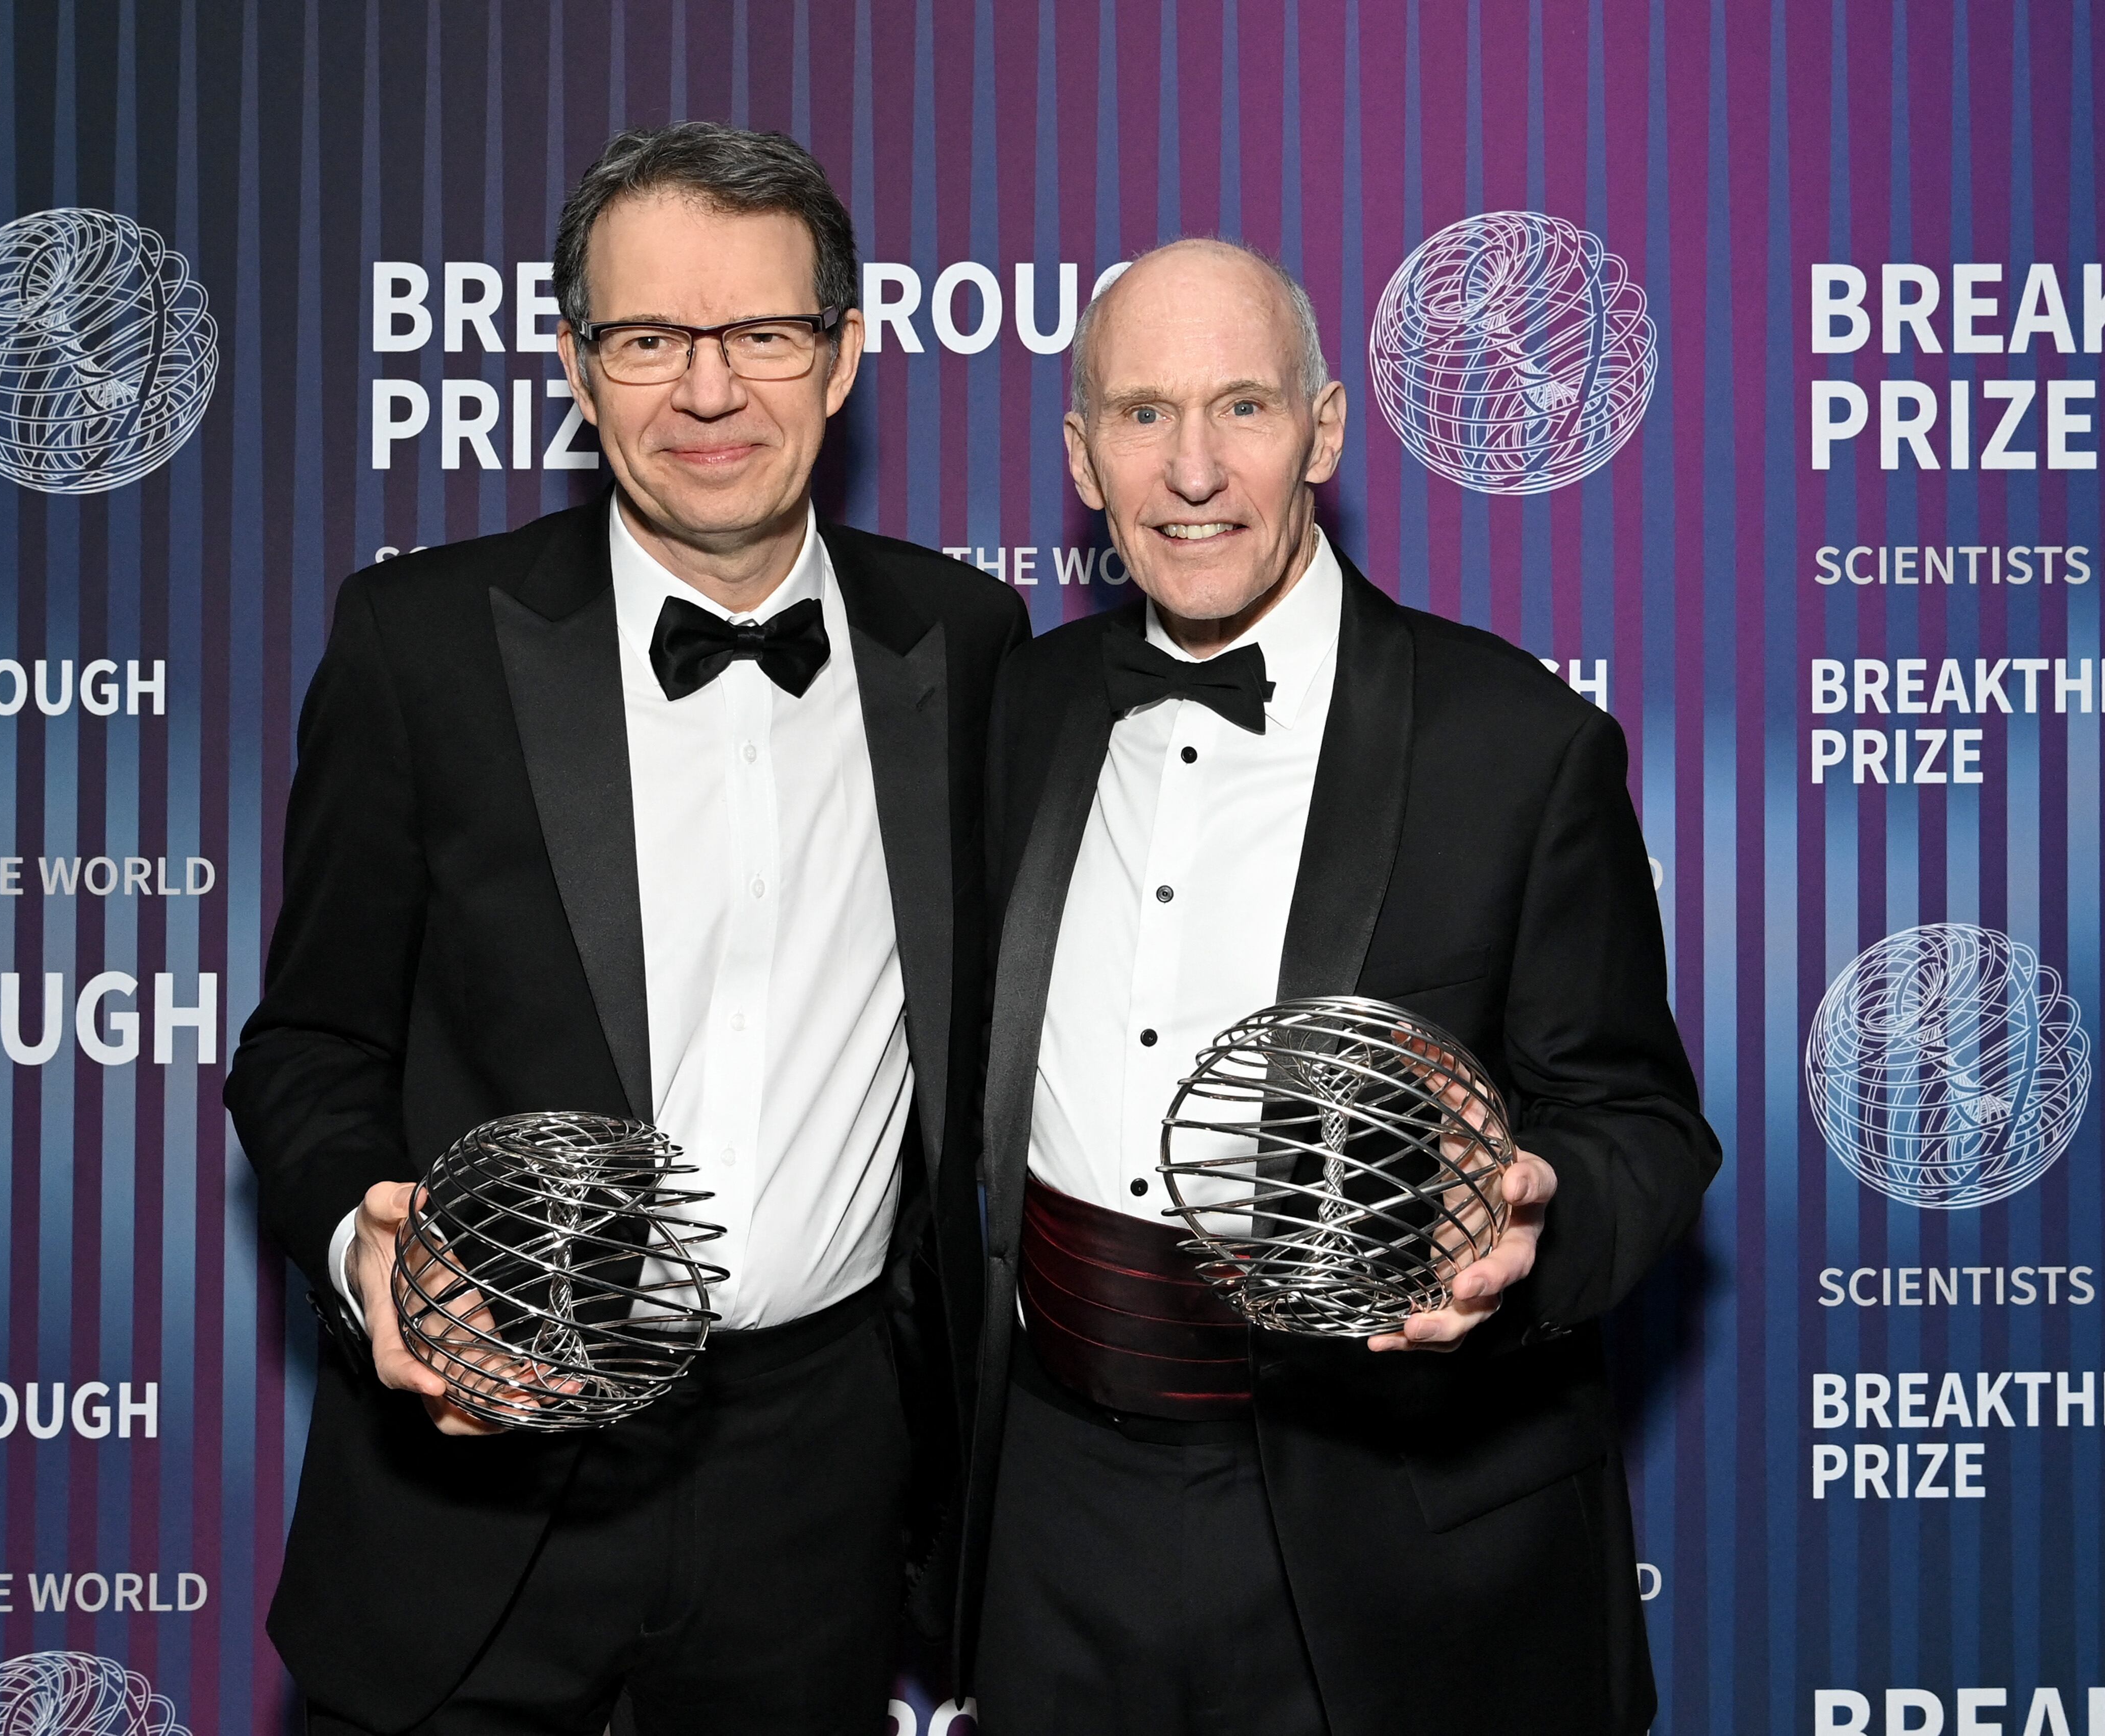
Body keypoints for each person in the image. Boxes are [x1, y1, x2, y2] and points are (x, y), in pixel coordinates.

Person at [227, 121, 1024, 1736]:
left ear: (847, 355)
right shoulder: (421, 646)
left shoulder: (967, 645)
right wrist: (362, 1255)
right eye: (649, 339)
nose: (709, 393)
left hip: (818, 1488)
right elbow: (306, 1046)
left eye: (763, 336)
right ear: (579, 372)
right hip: (475, 1475)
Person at [957, 237, 1720, 1735]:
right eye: (1141, 415)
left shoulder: (1516, 747)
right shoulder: (1024, 711)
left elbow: (1643, 1127)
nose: (1192, 469)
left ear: (1324, 431)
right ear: (1081, 456)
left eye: (1242, 408)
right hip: (1053, 1511)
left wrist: (1528, 1231)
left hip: (1382, 1526)